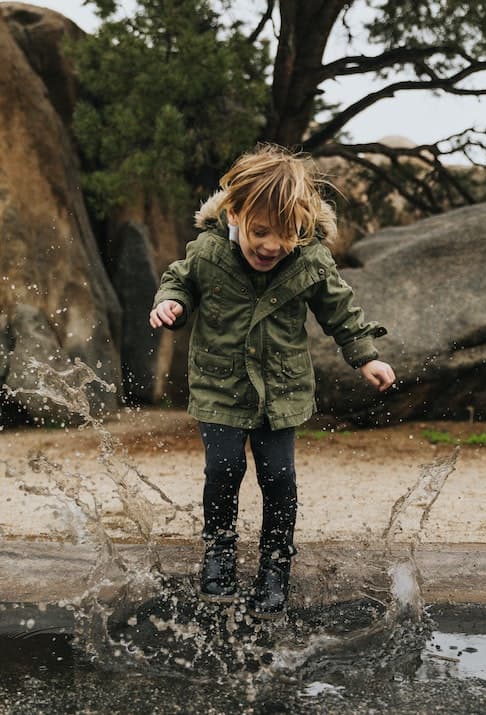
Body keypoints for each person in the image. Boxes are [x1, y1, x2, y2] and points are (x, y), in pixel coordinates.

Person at [149, 144, 395, 620]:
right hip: (220, 385)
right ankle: (218, 555)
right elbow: (178, 280)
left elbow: (340, 311)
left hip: (281, 390)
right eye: (261, 232)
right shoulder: (208, 252)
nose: (271, 246)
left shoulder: (309, 260)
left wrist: (366, 356)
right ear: (236, 211)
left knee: (278, 479)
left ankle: (275, 567)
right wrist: (171, 304)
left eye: (286, 235)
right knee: (223, 470)